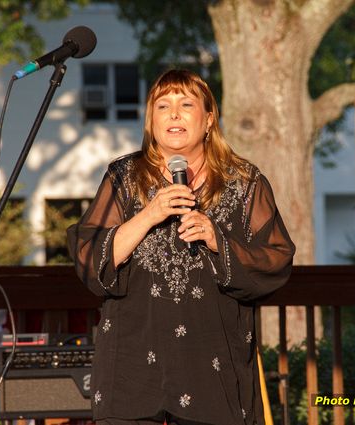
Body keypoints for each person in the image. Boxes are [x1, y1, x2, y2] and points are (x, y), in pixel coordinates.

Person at [67, 69, 295, 425]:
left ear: (208, 119)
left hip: (214, 372)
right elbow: (89, 257)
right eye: (163, 105)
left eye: (186, 104)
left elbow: (276, 259)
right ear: (151, 120)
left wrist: (218, 239)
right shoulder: (124, 177)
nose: (173, 114)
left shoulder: (244, 182)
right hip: (132, 372)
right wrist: (148, 215)